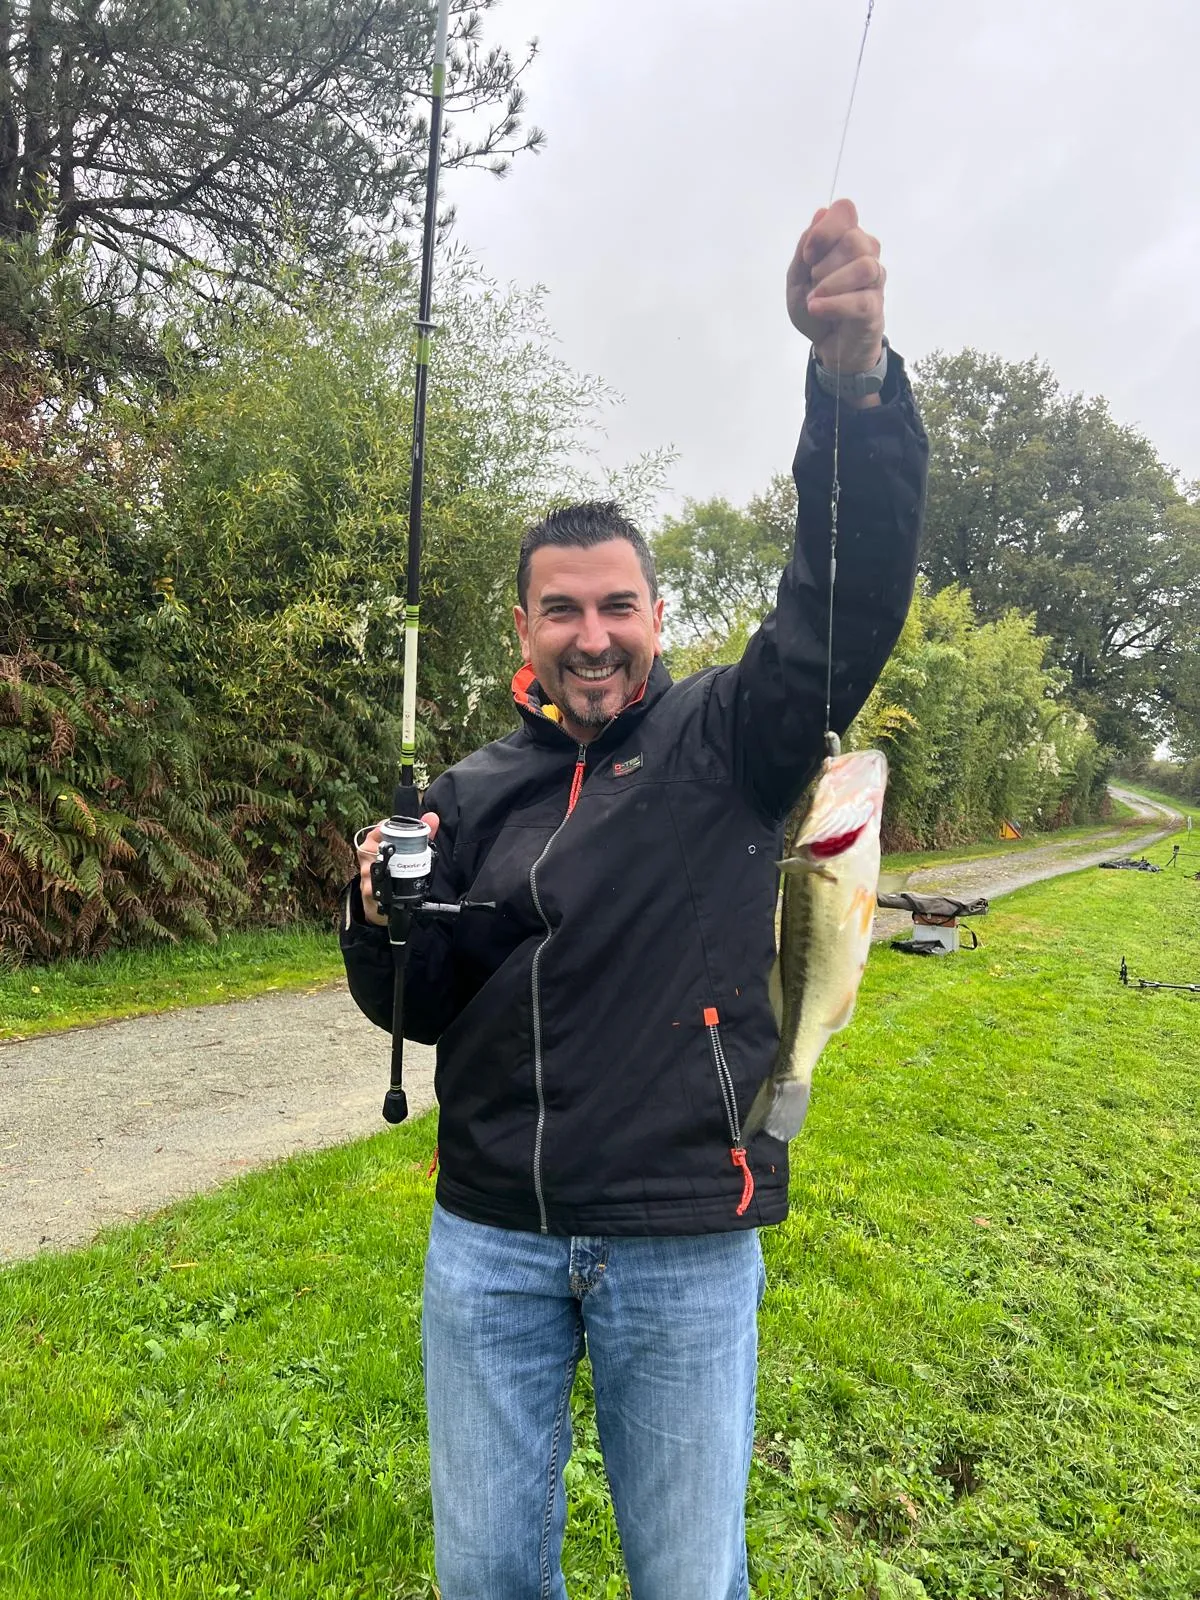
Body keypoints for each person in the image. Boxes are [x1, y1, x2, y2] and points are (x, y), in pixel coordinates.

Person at [341, 198, 928, 1600]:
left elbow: (842, 603)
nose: (592, 636)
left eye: (618, 607)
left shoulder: (737, 735)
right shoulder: (473, 790)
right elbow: (419, 1008)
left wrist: (850, 383)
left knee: (685, 1576)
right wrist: (376, 918)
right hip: (490, 1242)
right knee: (486, 1575)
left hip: (683, 1237)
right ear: (525, 628)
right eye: (562, 609)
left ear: (660, 621)